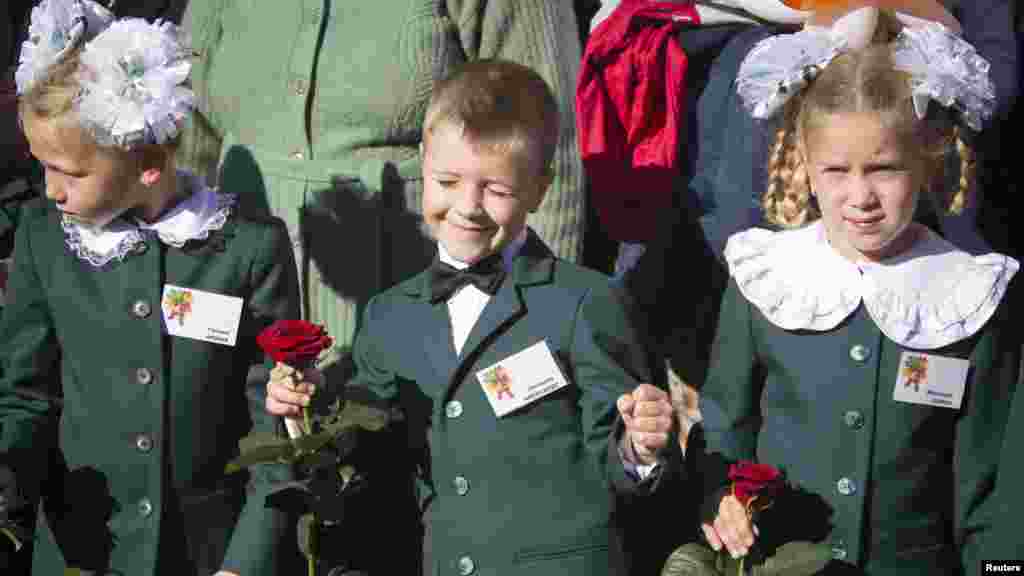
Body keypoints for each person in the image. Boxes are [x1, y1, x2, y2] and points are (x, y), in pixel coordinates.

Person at [265, 59, 681, 576]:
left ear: (540, 187)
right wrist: (304, 407)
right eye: (447, 180)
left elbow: (623, 467)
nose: (468, 206)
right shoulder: (390, 315)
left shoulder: (585, 303)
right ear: (422, 161)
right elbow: (366, 448)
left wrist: (639, 447)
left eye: (497, 190)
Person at [696, 7, 1021, 574]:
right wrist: (721, 500)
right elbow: (726, 427)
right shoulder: (766, 279)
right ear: (804, 165)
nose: (860, 196)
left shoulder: (970, 296)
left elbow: (990, 481)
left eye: (885, 168)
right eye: (837, 171)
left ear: (926, 160)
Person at [0, 2, 300, 574]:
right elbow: (25, 393)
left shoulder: (247, 247)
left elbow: (272, 420)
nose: (51, 190)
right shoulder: (44, 237)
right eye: (42, 166)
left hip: (207, 555)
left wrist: (249, 559)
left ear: (149, 163)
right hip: (82, 552)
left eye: (72, 171)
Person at [179, 1, 587, 381]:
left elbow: (549, 153)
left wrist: (531, 351)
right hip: (237, 311)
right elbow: (187, 138)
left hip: (423, 319)